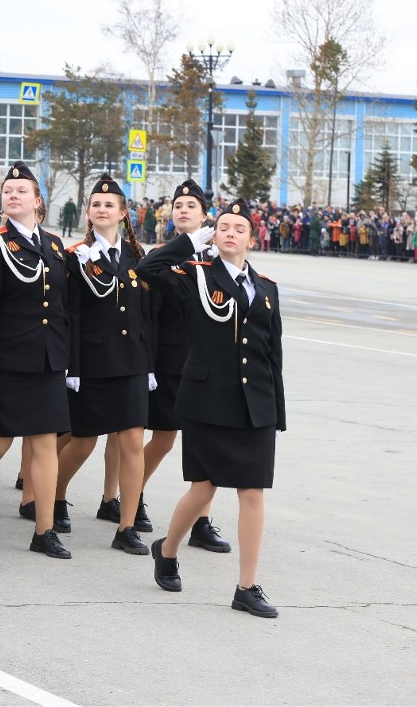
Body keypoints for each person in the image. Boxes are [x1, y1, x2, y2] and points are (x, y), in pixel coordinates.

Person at [138, 199, 285, 618]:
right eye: (223, 227)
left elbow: (273, 355)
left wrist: (278, 412)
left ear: (252, 240)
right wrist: (186, 241)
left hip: (255, 406)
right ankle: (167, 551)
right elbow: (147, 270)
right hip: (207, 402)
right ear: (213, 235)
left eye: (240, 228)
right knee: (203, 489)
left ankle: (247, 586)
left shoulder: (267, 287)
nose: (231, 233)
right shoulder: (193, 277)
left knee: (252, 492)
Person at [0, 162, 72, 559]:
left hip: (47, 359)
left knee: (45, 442)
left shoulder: (55, 245)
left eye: (21, 190)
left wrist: (68, 360)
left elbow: (61, 306)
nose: (12, 195)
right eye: (7, 190)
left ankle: (44, 530)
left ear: (37, 201)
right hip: (8, 358)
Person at [58, 173, 152, 555]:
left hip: (130, 362)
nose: (101, 209)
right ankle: (54, 496)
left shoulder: (136, 256)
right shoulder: (77, 255)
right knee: (82, 442)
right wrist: (73, 367)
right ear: (88, 212)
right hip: (93, 362)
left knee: (132, 441)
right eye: (96, 204)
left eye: (109, 204)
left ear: (123, 213)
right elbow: (73, 315)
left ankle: (126, 525)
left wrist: (150, 365)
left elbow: (146, 315)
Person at [144, 180, 230, 553]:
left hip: (204, 365)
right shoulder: (164, 253)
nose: (183, 210)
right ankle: (129, 496)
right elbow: (150, 311)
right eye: (178, 205)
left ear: (204, 214)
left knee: (203, 444)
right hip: (168, 360)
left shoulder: (216, 258)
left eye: (191, 206)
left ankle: (202, 521)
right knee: (163, 440)